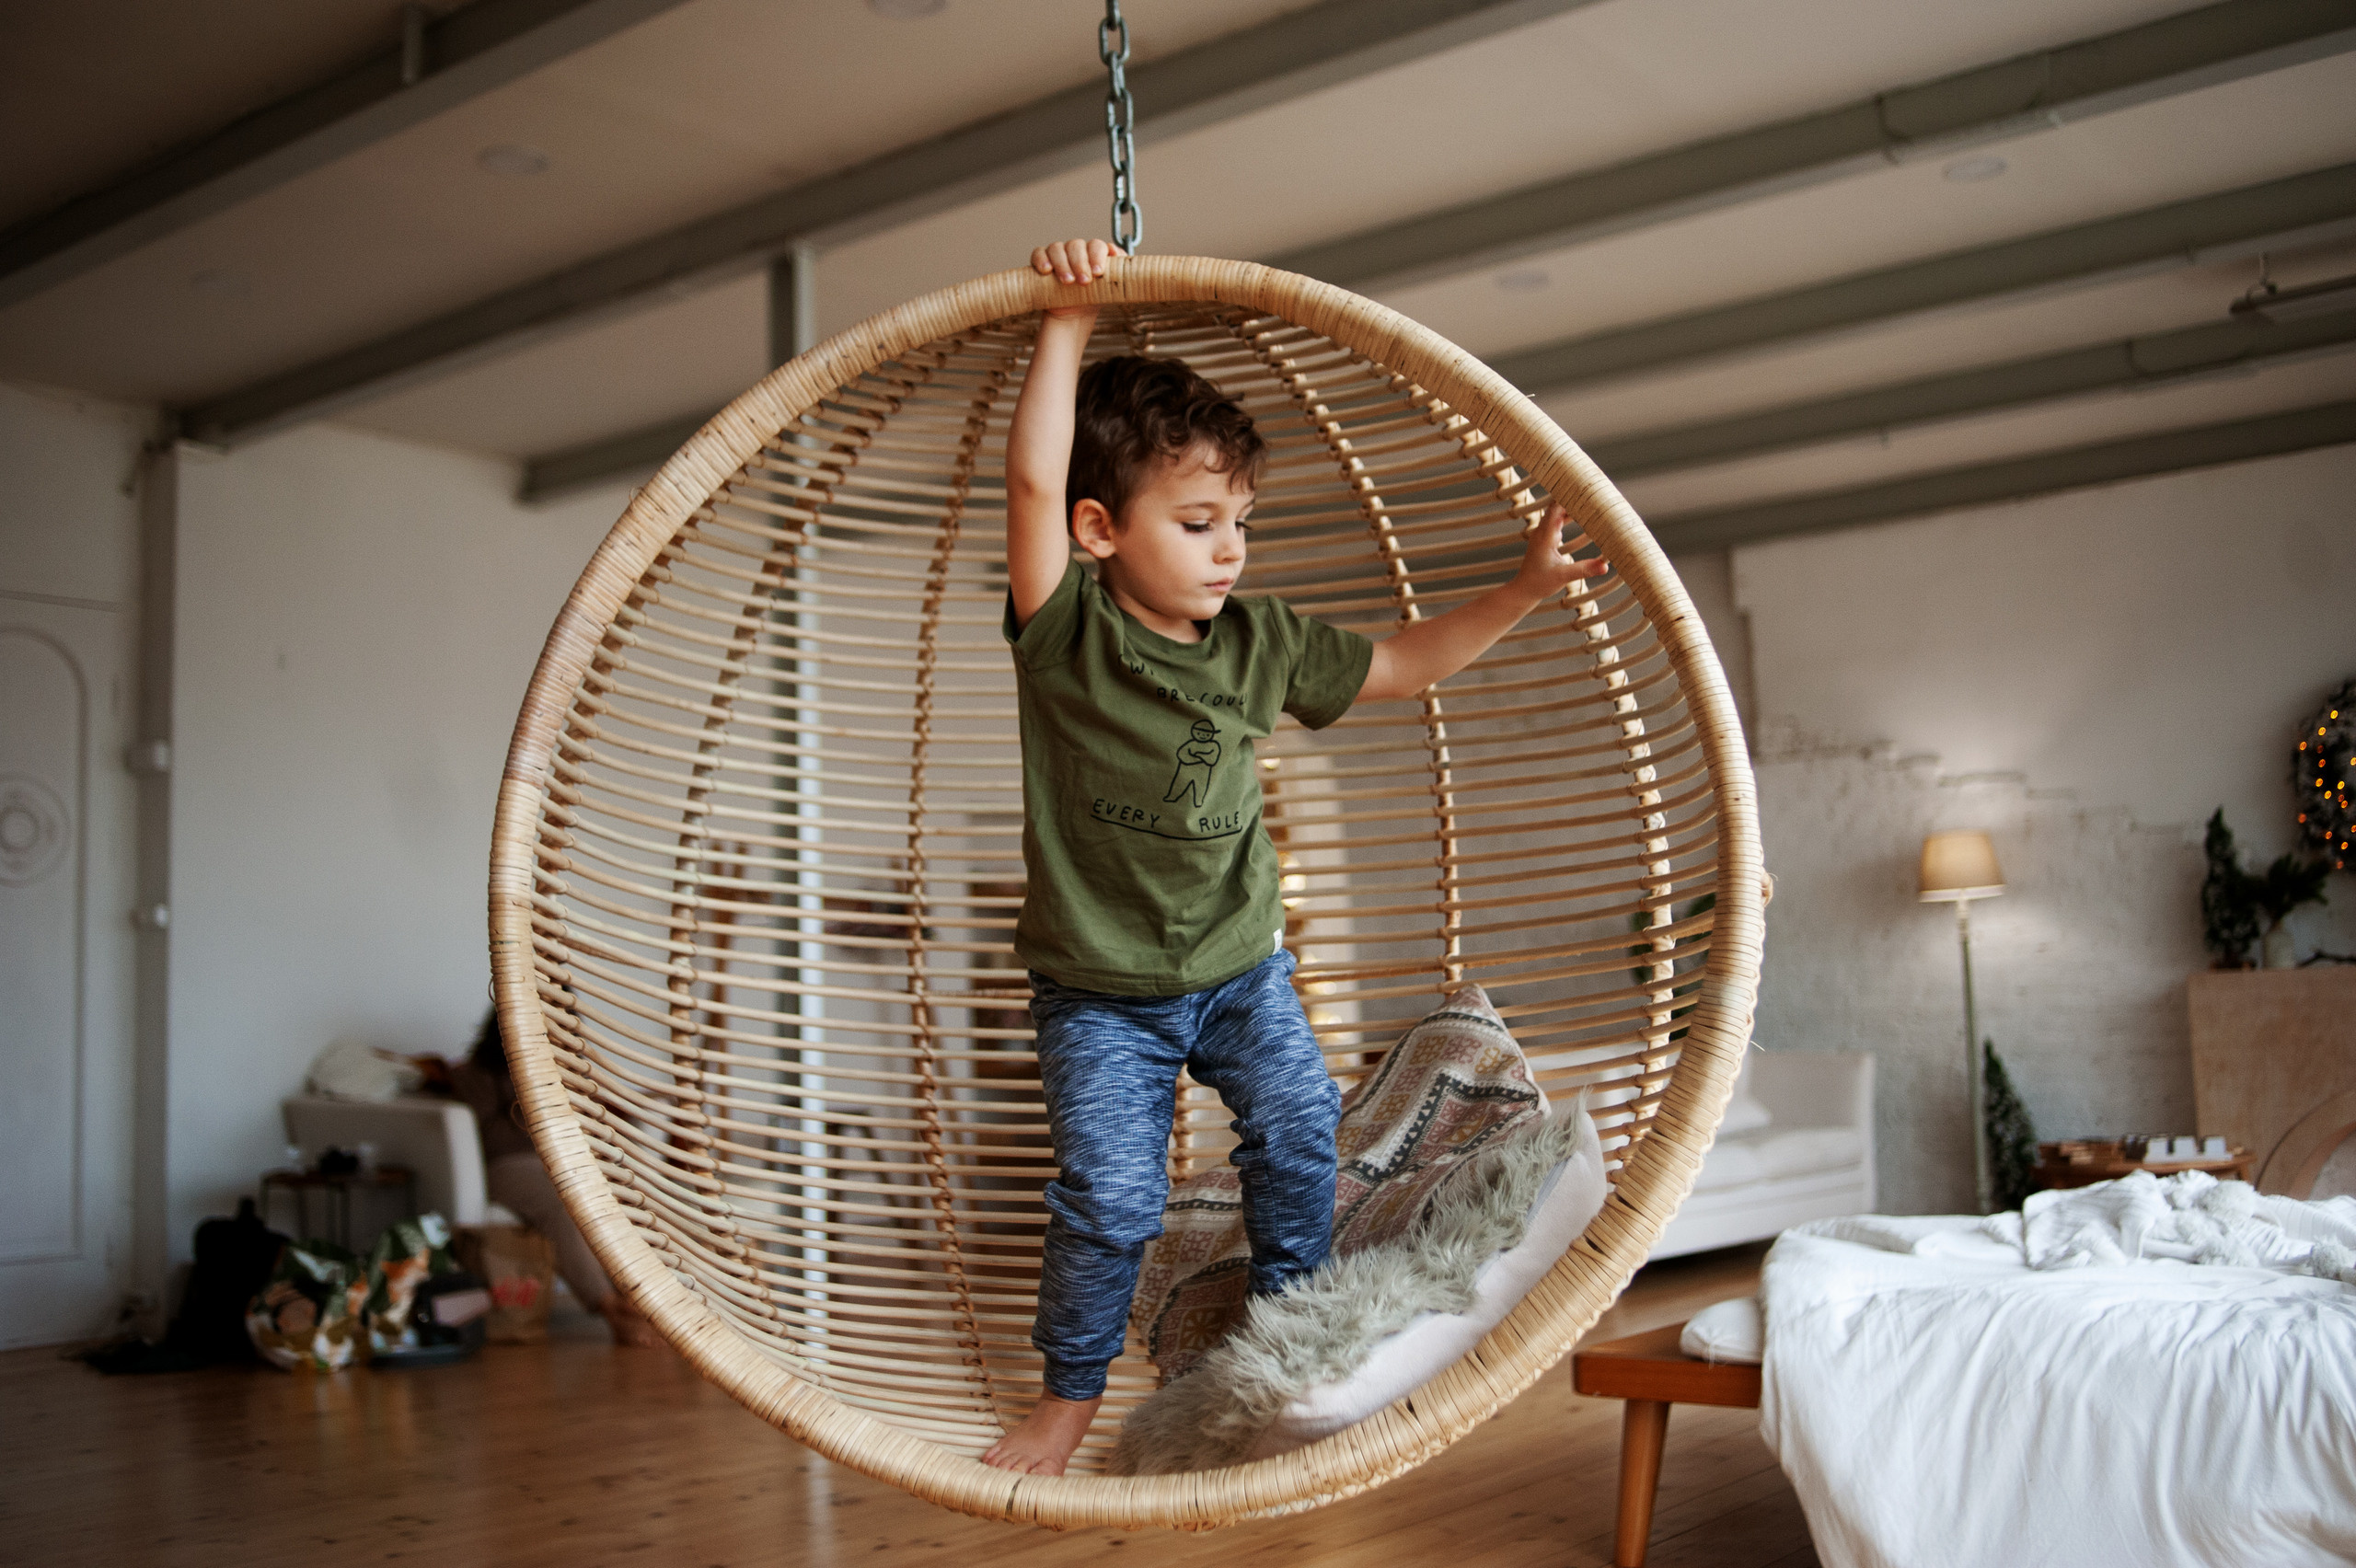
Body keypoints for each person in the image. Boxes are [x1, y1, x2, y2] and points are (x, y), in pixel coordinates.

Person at [980, 238, 1610, 1475]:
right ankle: (1066, 1399)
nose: (1230, 550)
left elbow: (1400, 664)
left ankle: (1287, 1336)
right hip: (1099, 996)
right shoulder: (1067, 635)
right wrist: (1068, 320)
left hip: (1238, 970)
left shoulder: (1259, 643)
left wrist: (1521, 592)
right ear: (1100, 530)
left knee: (1299, 1133)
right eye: (1200, 521)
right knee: (1110, 1198)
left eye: (1242, 524)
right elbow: (1027, 484)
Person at [449, 1009, 665, 1347]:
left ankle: (641, 1300)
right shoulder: (476, 1075)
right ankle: (611, 1310)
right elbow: (491, 1138)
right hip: (509, 1167)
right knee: (564, 1199)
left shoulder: (568, 1072)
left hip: (566, 1163)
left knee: (625, 1198)